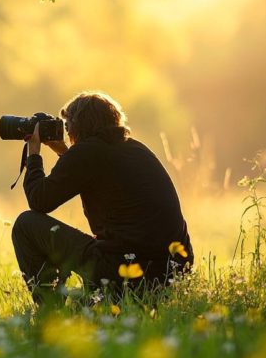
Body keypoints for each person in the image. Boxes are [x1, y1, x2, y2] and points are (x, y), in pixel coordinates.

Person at [11, 91, 193, 304]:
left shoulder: (88, 153)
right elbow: (91, 170)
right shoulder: (134, 148)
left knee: (25, 224)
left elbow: (39, 200)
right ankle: (92, 300)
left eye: (67, 126)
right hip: (172, 274)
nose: (66, 132)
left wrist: (34, 153)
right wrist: (64, 151)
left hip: (126, 273)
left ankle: (51, 306)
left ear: (80, 126)